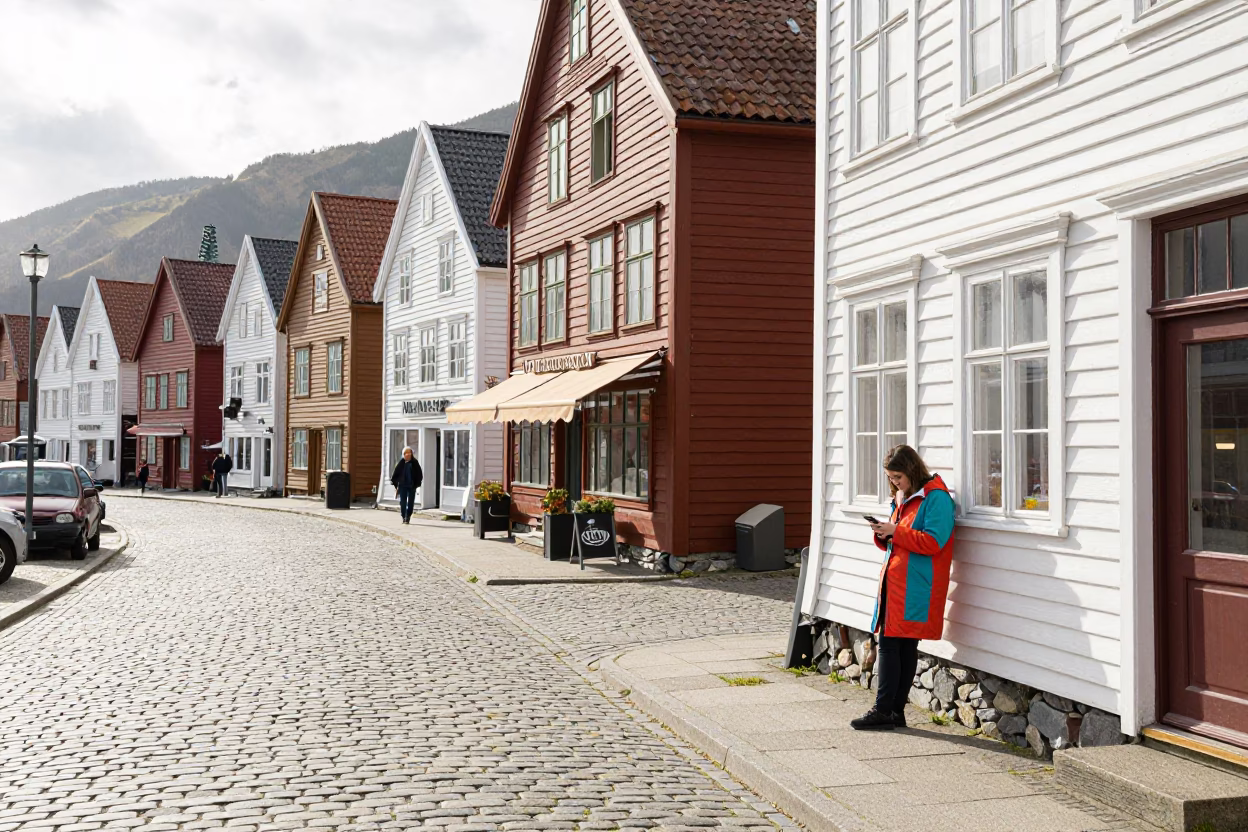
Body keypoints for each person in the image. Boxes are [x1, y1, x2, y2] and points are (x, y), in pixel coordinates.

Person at [852, 444, 956, 731]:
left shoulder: (936, 499)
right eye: (890, 478)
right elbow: (903, 538)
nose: (894, 483)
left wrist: (895, 531)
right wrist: (884, 533)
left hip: (915, 586)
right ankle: (894, 711)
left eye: (897, 477)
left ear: (911, 470)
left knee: (894, 645)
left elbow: (934, 542)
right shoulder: (905, 497)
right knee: (902, 646)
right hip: (898, 583)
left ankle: (884, 709)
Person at [390, 447, 422, 524]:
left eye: (409, 453)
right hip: (402, 486)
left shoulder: (414, 463)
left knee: (410, 502)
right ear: (403, 455)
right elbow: (395, 474)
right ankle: (403, 516)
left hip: (411, 486)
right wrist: (395, 484)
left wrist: (416, 483)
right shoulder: (401, 463)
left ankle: (408, 516)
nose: (407, 454)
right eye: (406, 453)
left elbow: (419, 474)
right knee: (402, 502)